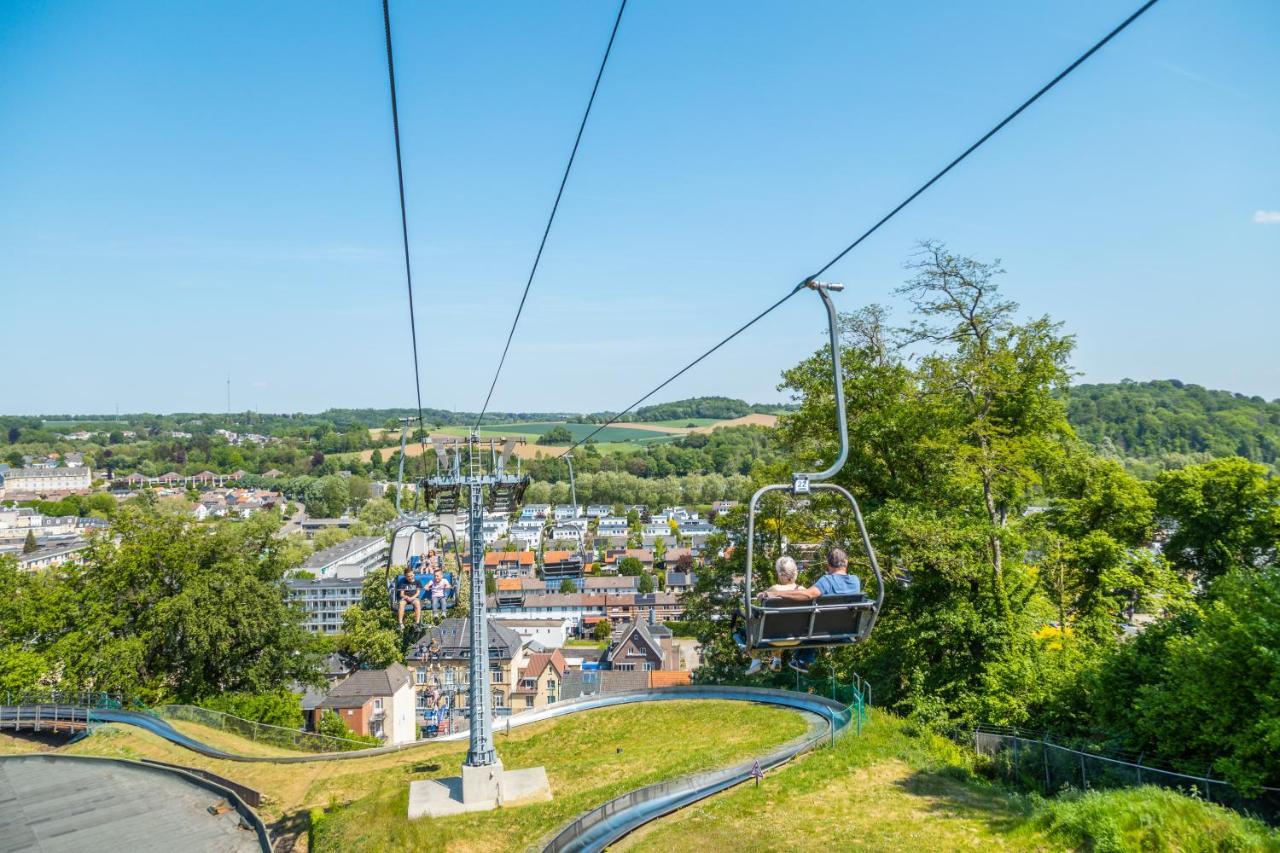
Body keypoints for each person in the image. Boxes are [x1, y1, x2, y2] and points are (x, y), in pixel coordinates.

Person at [776, 548, 862, 673]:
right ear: (846, 562)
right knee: (816, 622)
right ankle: (802, 661)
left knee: (808, 622)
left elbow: (808, 595)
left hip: (823, 632)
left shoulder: (827, 581)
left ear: (828, 564)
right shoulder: (855, 581)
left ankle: (801, 659)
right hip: (846, 632)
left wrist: (779, 594)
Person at [745, 556, 801, 675]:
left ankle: (755, 659)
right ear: (795, 573)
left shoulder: (774, 589)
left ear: (780, 574)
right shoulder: (803, 590)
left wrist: (765, 594)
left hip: (775, 639)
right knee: (784, 625)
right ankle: (776, 659)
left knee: (749, 623)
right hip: (797, 638)